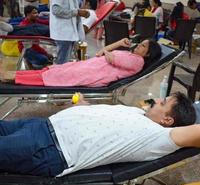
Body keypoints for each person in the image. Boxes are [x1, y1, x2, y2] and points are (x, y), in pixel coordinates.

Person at [0, 91, 198, 177]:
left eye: (162, 103)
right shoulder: (139, 113)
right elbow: (103, 119)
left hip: (47, 148)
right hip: (41, 125)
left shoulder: (159, 137)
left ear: (167, 121)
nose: (154, 99)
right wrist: (83, 106)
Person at [0, 38, 162, 87]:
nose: (139, 45)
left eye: (143, 46)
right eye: (141, 43)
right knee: (52, 69)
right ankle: (11, 75)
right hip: (88, 67)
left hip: (92, 74)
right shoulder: (130, 55)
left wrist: (107, 52)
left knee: (55, 74)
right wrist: (119, 43)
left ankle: (9, 77)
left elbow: (109, 57)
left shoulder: (138, 62)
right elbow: (102, 52)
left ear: (148, 54)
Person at [50, 0, 90, 64]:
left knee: (65, 61)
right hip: (63, 33)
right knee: (62, 63)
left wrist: (80, 12)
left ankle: (62, 72)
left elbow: (73, 9)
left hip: (69, 33)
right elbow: (56, 10)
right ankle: (60, 73)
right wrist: (77, 12)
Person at [18, 5, 52, 69]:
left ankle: (30, 61)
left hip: (33, 46)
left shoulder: (34, 21)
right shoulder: (25, 26)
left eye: (37, 13)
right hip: (27, 49)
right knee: (44, 59)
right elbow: (34, 46)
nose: (37, 15)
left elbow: (45, 22)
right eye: (34, 13)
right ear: (28, 14)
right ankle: (28, 60)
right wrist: (46, 53)